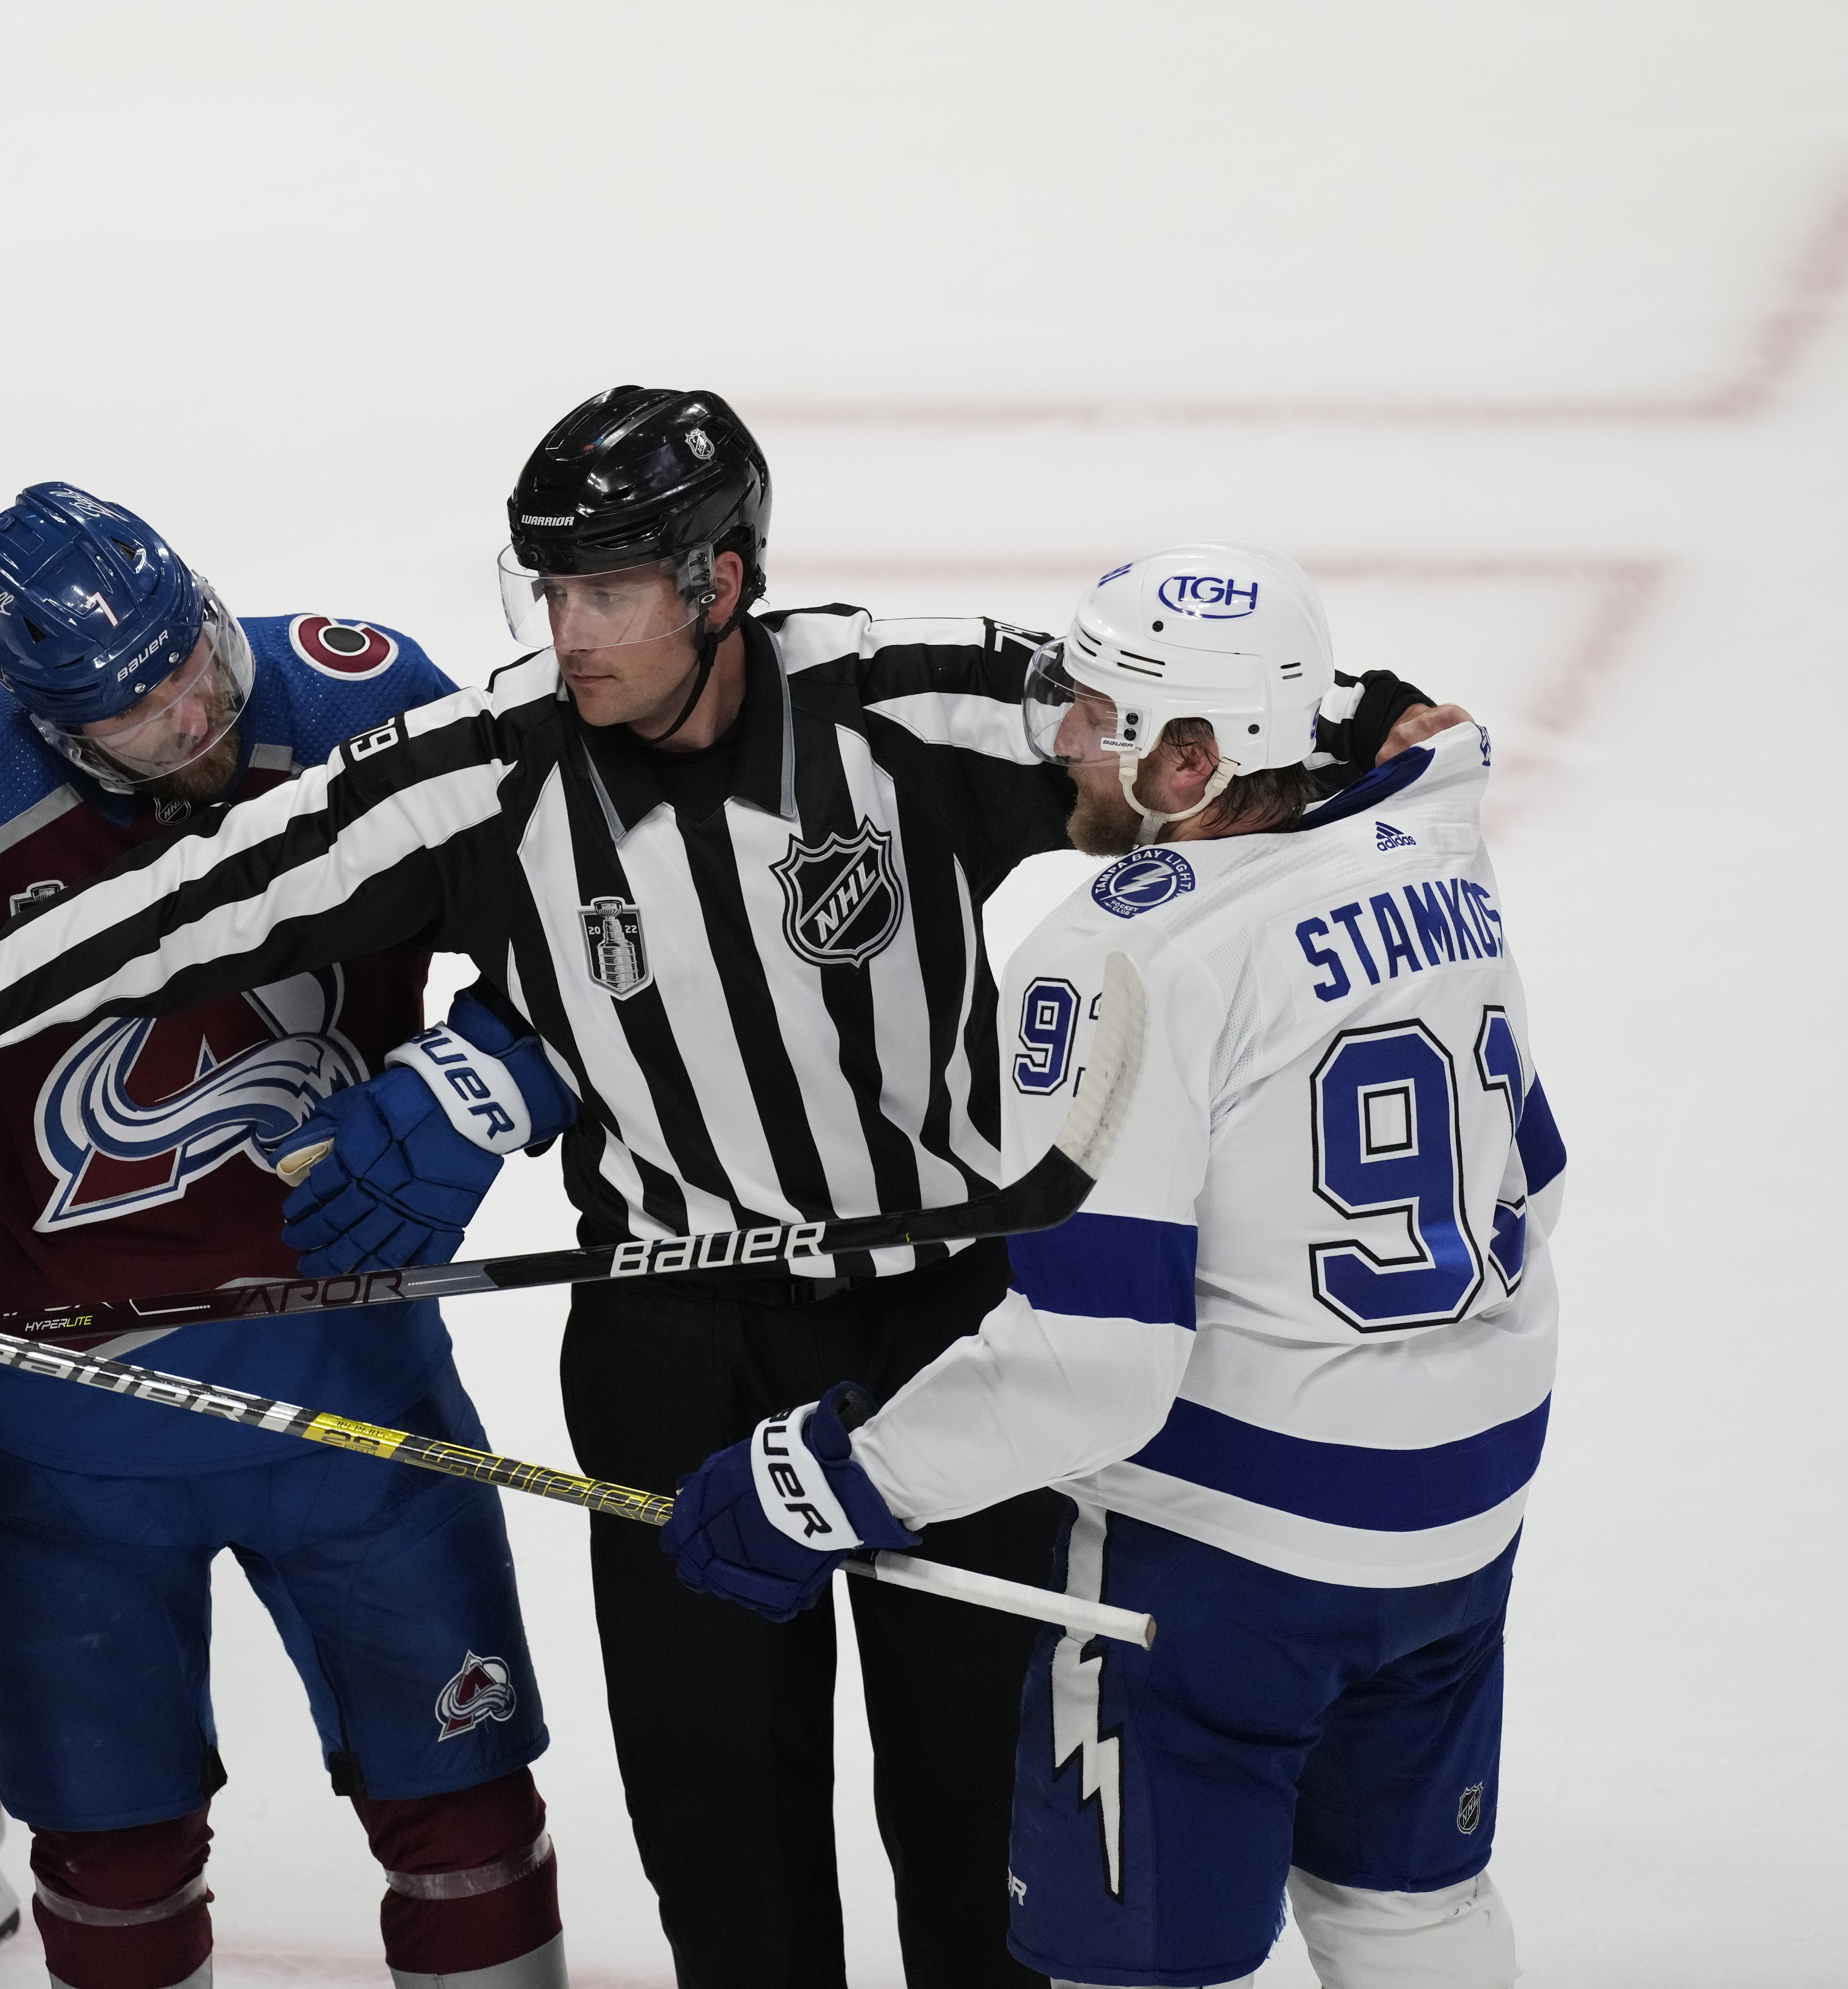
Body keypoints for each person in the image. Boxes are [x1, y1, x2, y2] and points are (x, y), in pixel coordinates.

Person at [0, 389, 1462, 1988]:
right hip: (672, 1351)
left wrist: (1360, 719)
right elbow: (220, 894)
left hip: (954, 1344)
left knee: (974, 1837)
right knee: (723, 1850)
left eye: (610, 591)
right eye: (552, 587)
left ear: (722, 581)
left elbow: (1165, 735)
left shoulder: (903, 696)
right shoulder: (491, 765)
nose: (568, 631)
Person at [0, 484, 571, 1989]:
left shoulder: (368, 702)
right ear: (46, 721)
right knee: (112, 1851)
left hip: (351, 1371)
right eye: (143, 712)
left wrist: (496, 1067)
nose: (196, 718)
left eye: (200, 663)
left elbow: (585, 905)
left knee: (466, 1813)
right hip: (62, 1414)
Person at [661, 542, 1554, 1989]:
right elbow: (1540, 1179)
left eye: (1098, 715)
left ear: (1192, 760)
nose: (1062, 739)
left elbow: (1092, 1371)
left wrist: (824, 1482)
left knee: (1126, 1966)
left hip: (1231, 1563)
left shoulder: (1118, 958)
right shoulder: (1432, 854)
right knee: (1408, 1909)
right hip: (1468, 1510)